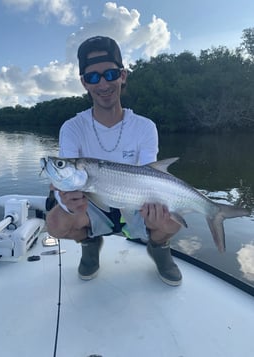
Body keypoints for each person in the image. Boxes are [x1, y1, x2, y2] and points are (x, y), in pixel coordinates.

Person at [46, 36, 182, 286]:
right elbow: (66, 180)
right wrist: (65, 200)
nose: (103, 83)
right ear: (84, 83)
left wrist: (155, 211)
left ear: (123, 75)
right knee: (55, 221)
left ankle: (159, 248)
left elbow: (149, 174)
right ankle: (89, 242)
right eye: (93, 77)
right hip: (92, 204)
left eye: (110, 73)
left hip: (135, 202)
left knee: (171, 220)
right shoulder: (72, 128)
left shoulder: (145, 127)